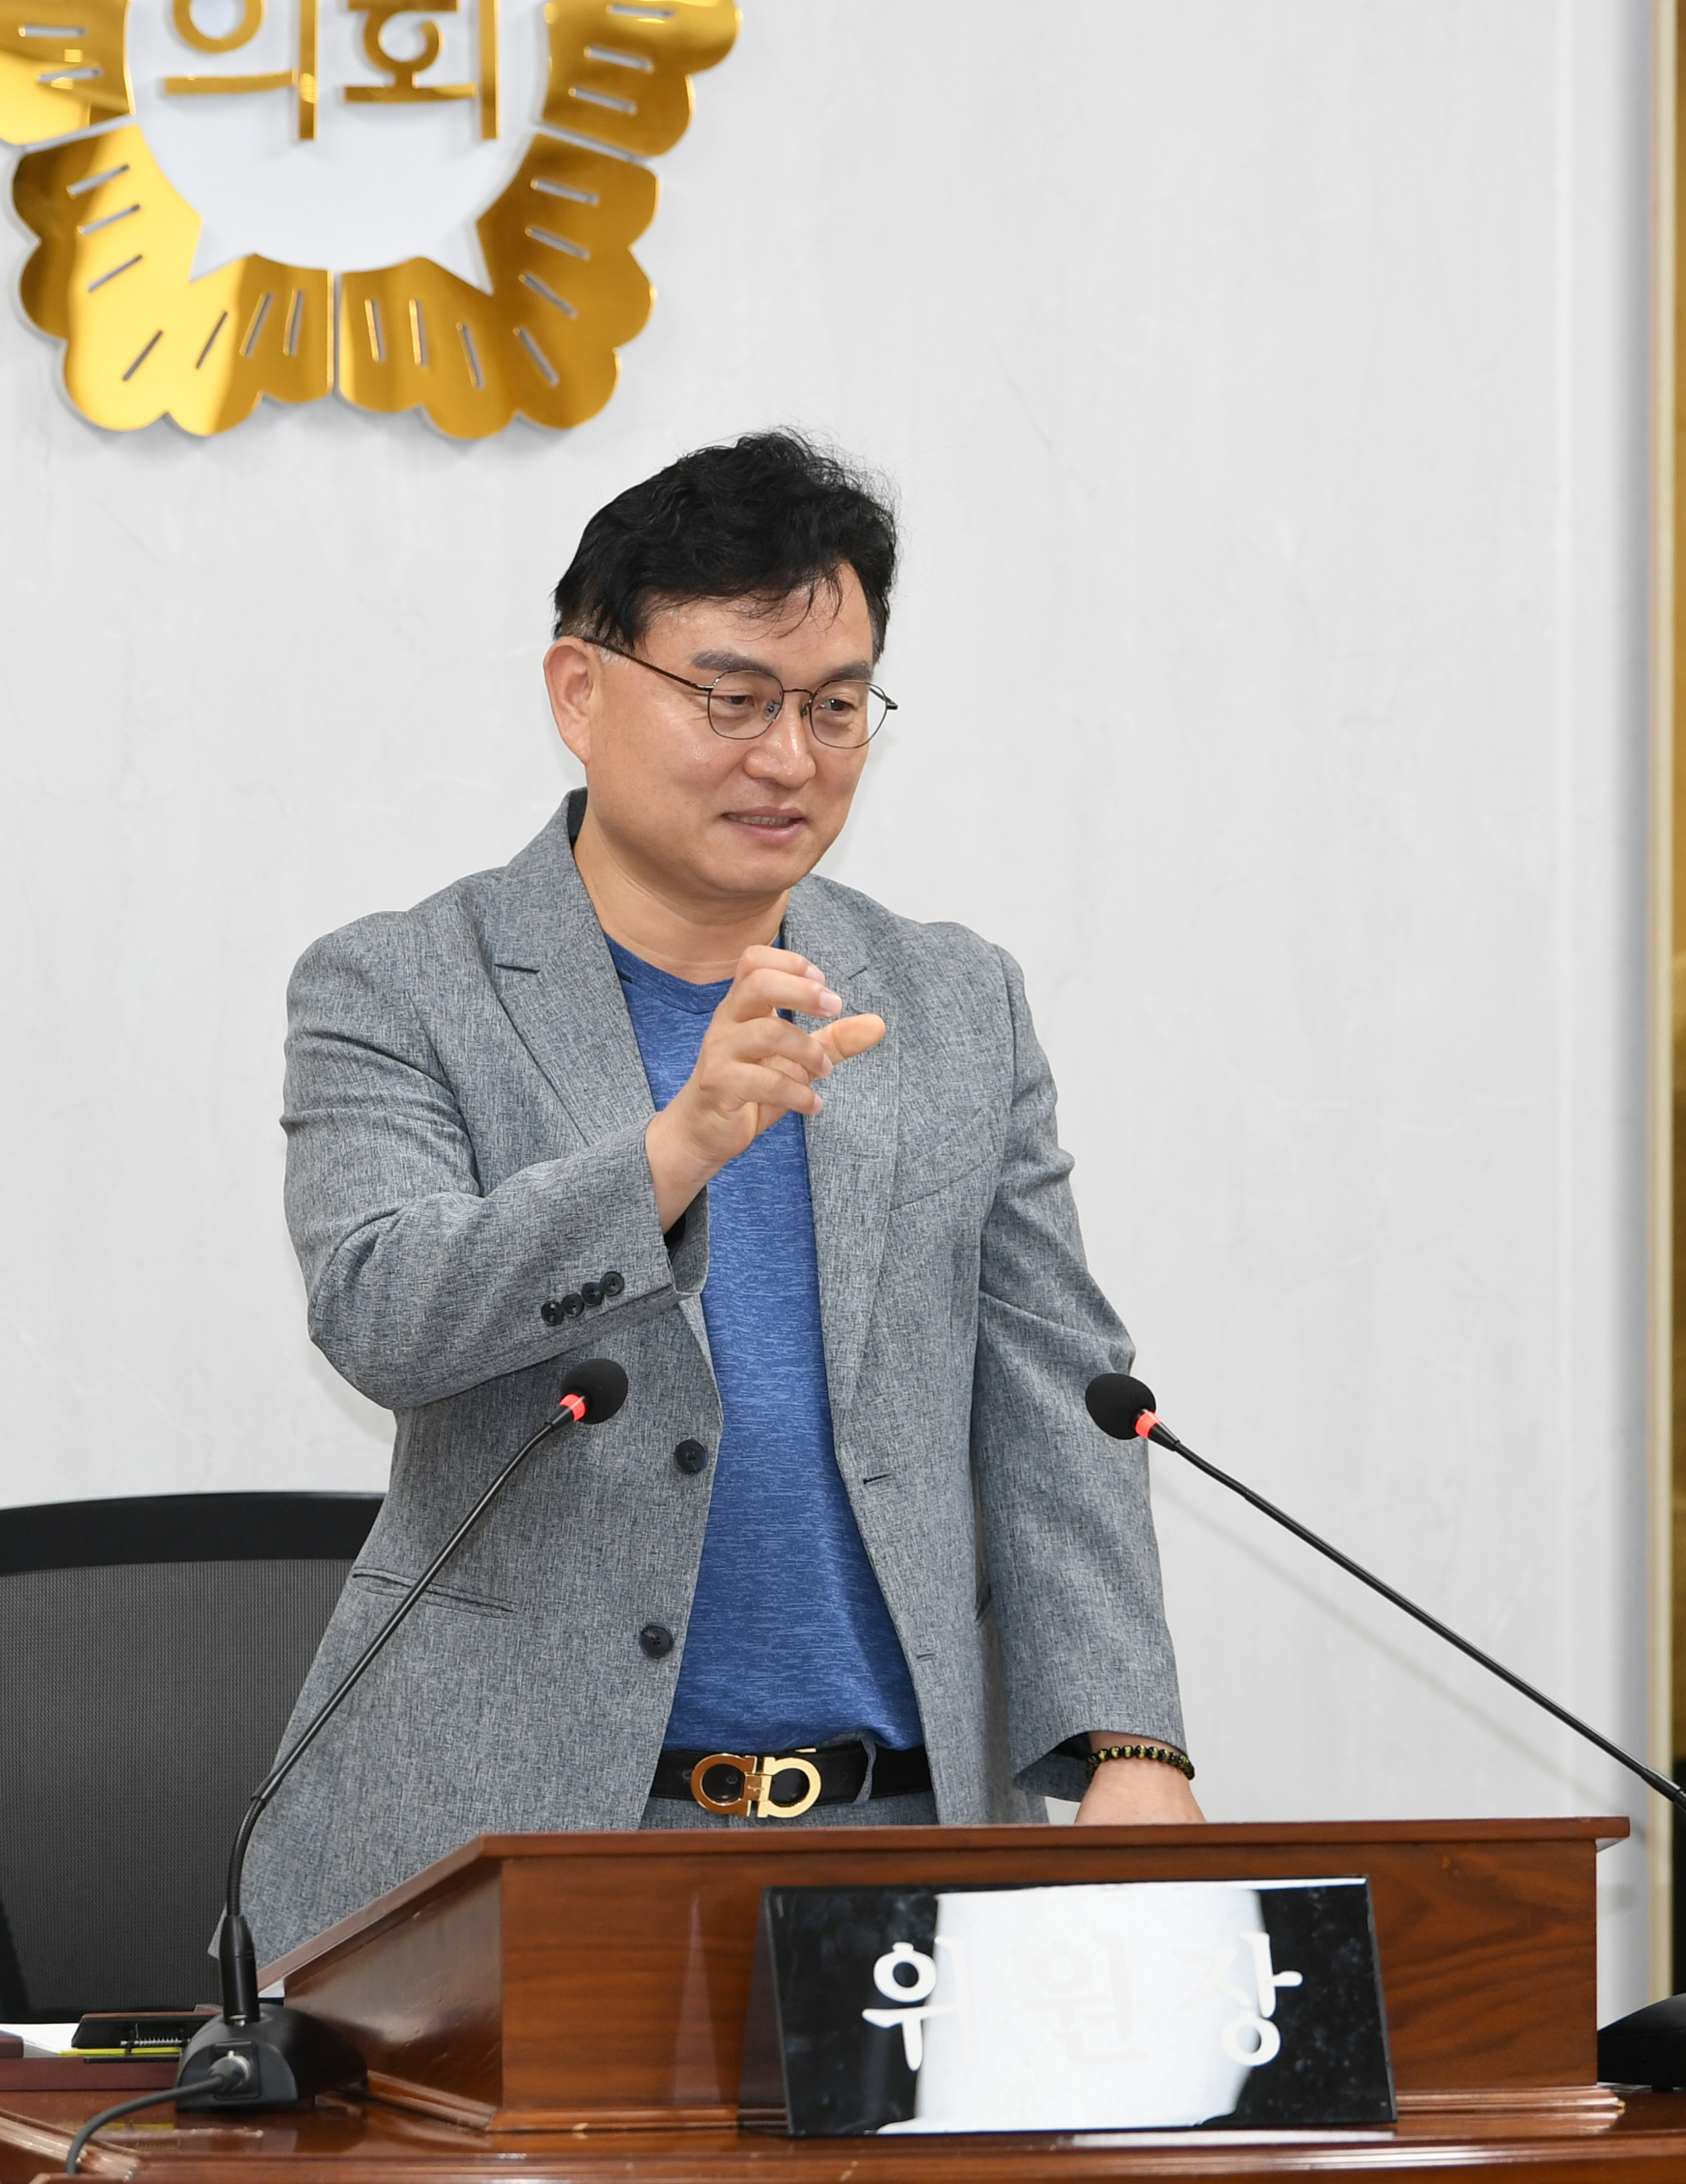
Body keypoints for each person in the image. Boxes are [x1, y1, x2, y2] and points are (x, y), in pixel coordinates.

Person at [244, 431, 1199, 1954]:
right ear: (580, 690)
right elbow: (382, 1310)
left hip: (904, 1834)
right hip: (522, 1842)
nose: (789, 757)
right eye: (733, 697)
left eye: (835, 706)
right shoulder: (399, 984)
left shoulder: (953, 999)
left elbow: (1058, 1390)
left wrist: (1130, 1741)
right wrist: (670, 1152)